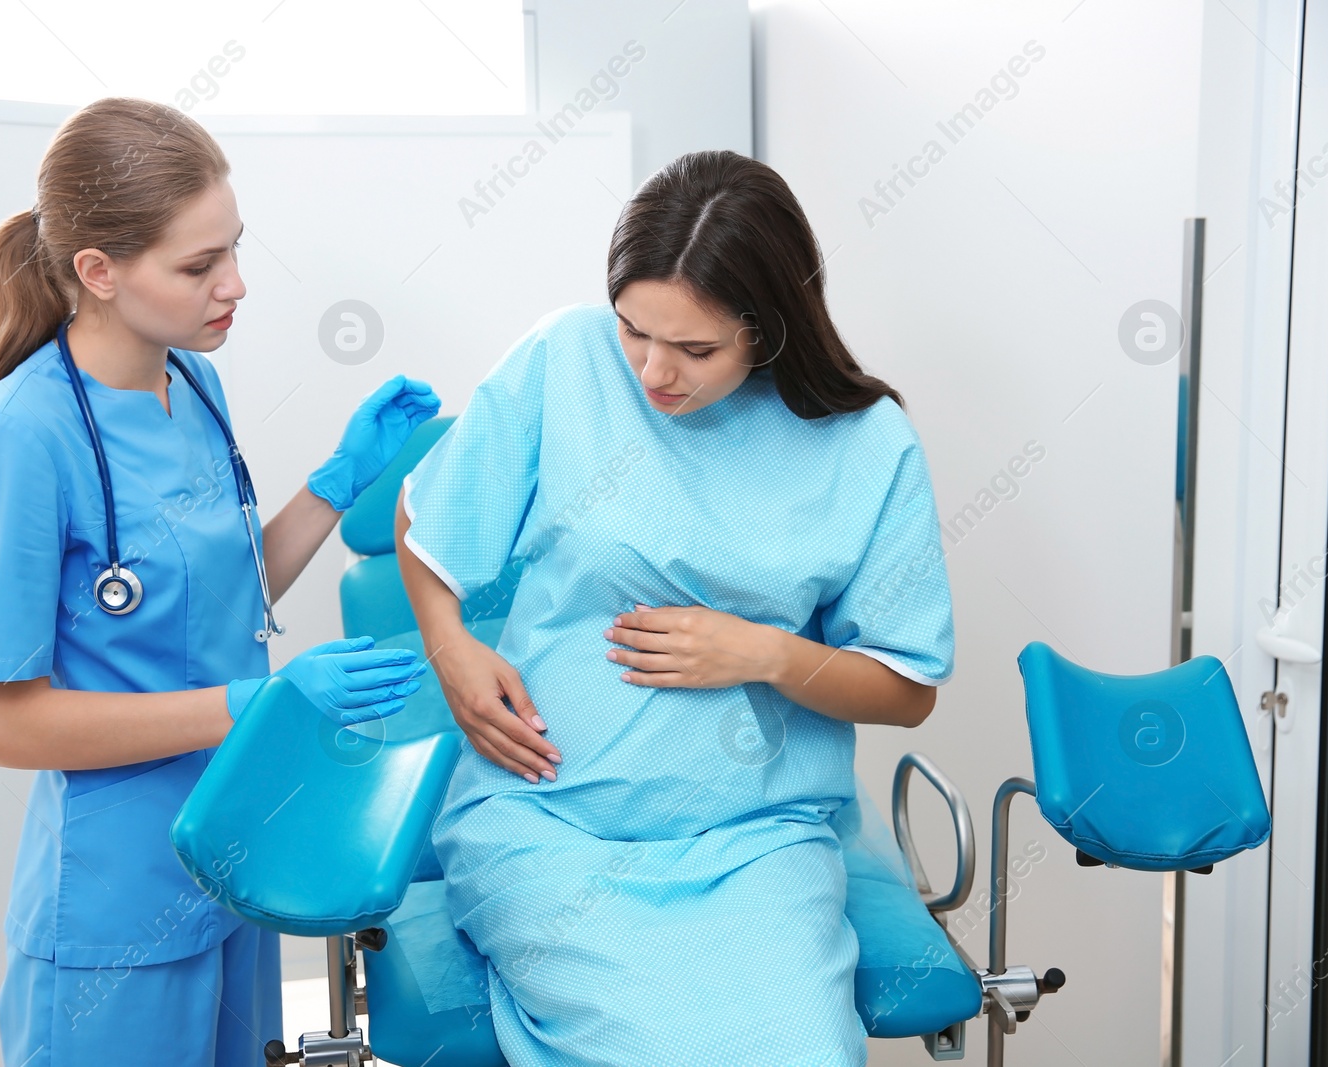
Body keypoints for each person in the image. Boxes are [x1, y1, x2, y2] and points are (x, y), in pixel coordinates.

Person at [393, 149, 955, 1064]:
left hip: (754, 838)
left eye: (695, 349)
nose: (654, 372)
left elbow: (906, 688)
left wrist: (764, 653)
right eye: (633, 331)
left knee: (804, 1051)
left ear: (769, 330)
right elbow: (427, 516)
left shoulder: (867, 444)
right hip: (548, 823)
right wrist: (450, 645)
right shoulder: (565, 358)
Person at [0, 97, 439, 1067]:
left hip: (232, 861)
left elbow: (222, 595)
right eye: (198, 265)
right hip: (113, 906)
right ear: (98, 270)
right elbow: (9, 723)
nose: (236, 285)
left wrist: (336, 482)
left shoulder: (192, 384)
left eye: (234, 251)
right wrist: (261, 704)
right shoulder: (21, 436)